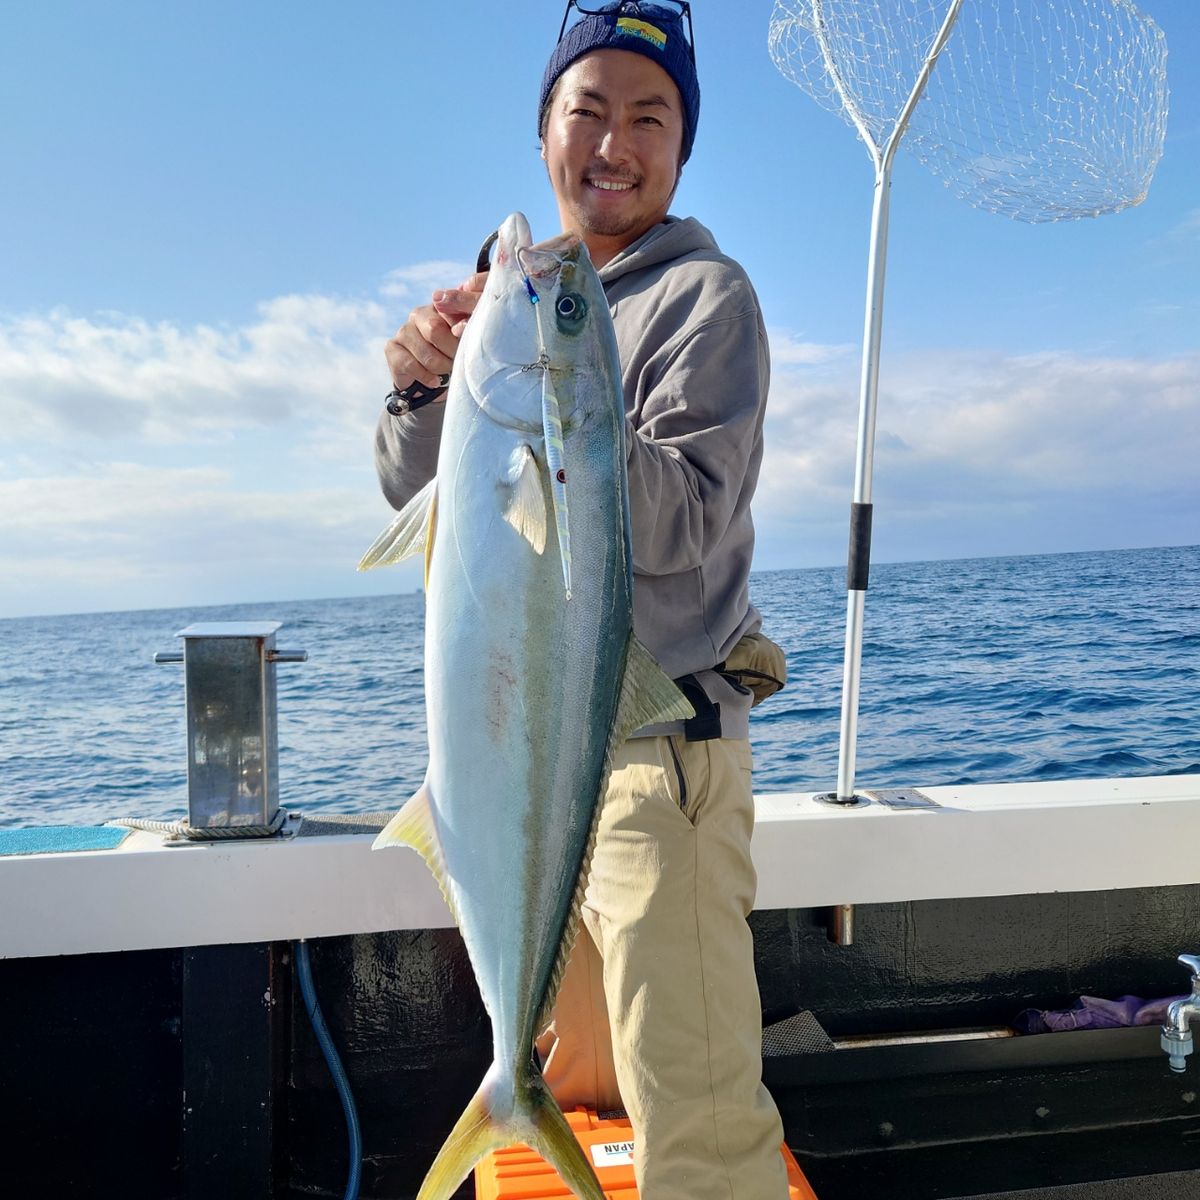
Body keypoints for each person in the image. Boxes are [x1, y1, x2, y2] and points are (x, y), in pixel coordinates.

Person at [374, 4, 788, 1198]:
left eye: (649, 117)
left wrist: (567, 400)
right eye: (587, 109)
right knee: (591, 1078)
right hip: (525, 760)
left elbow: (685, 516)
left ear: (682, 146)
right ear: (545, 129)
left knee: (696, 1122)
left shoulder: (707, 297)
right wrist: (423, 390)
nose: (615, 141)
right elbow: (420, 494)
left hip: (659, 764)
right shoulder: (524, 297)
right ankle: (522, 1093)